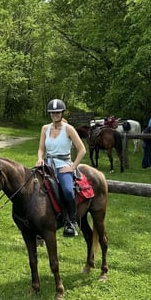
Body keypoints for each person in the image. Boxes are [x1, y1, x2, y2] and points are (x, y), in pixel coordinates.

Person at [36, 98, 87, 237]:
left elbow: (82, 149)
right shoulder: (45, 128)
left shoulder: (68, 129)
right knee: (33, 186)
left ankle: (71, 222)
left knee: (67, 191)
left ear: (62, 113)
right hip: (47, 165)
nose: (55, 115)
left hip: (63, 165)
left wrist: (72, 167)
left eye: (57, 112)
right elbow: (41, 148)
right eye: (52, 112)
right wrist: (40, 158)